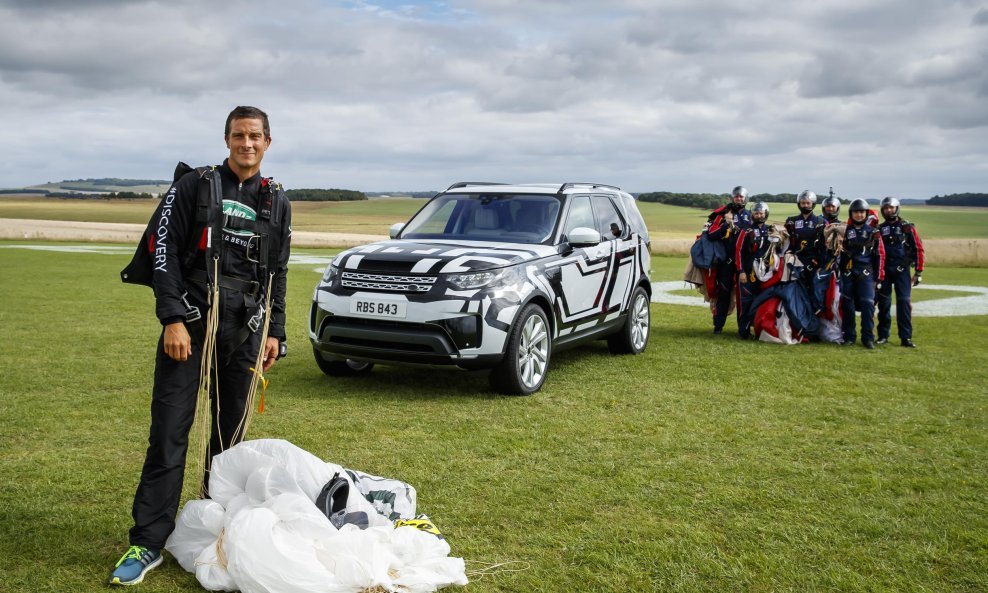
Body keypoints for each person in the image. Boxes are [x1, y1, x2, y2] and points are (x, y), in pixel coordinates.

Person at [110, 106, 292, 586]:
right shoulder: (196, 185)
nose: (246, 144)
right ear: (227, 139)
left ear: (268, 142)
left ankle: (214, 529)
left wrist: (276, 330)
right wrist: (172, 318)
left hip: (246, 330)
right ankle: (148, 541)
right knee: (169, 434)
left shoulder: (277, 201)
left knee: (230, 442)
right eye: (238, 135)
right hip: (191, 327)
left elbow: (278, 272)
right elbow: (164, 251)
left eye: (255, 136)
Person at [876, 196, 925, 347]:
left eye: (891, 207)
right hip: (884, 271)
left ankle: (906, 337)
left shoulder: (907, 227)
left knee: (903, 301)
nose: (889, 210)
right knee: (884, 303)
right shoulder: (879, 229)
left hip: (902, 271)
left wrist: (918, 272)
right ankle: (883, 335)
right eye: (886, 208)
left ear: (897, 208)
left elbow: (918, 249)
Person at [705, 185, 752, 333]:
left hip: (744, 262)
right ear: (733, 197)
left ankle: (743, 328)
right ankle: (718, 326)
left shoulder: (750, 216)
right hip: (726, 260)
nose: (739, 198)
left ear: (745, 198)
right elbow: (711, 234)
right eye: (737, 196)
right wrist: (726, 224)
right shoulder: (723, 214)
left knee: (743, 295)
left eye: (741, 196)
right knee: (723, 293)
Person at [839, 198, 884, 349]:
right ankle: (849, 337)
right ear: (851, 214)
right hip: (848, 272)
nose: (859, 215)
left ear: (866, 214)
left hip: (866, 273)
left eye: (861, 212)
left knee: (867, 304)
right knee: (848, 305)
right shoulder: (845, 231)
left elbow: (878, 255)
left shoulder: (874, 232)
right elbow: (840, 253)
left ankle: (868, 338)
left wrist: (878, 278)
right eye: (856, 212)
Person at [784, 190, 826, 313]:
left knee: (813, 292)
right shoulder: (791, 221)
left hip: (813, 262)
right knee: (795, 292)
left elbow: (824, 246)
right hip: (795, 262)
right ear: (799, 204)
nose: (805, 205)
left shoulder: (820, 222)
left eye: (808, 203)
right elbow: (786, 242)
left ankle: (812, 323)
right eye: (803, 203)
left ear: (813, 204)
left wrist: (820, 263)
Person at [735, 201, 772, 339]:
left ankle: (760, 329)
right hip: (749, 273)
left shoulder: (771, 230)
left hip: (765, 273)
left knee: (762, 301)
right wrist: (741, 271)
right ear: (752, 215)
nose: (759, 215)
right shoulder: (746, 231)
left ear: (766, 214)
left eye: (761, 213)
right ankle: (743, 331)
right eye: (756, 213)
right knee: (746, 302)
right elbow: (738, 252)